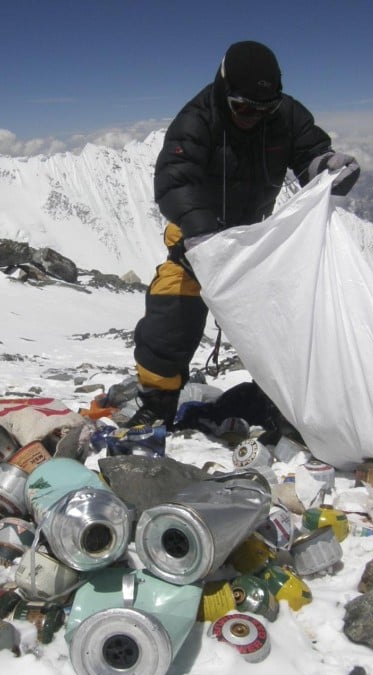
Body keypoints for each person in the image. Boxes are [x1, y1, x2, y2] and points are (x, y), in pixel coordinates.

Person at [126, 40, 360, 428]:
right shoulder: (197, 119)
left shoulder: (286, 116)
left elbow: (309, 154)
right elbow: (173, 182)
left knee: (288, 323)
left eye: (263, 108)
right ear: (223, 90)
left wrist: (327, 167)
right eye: (243, 107)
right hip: (195, 244)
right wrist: (201, 235)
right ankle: (158, 403)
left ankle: (287, 404)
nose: (253, 116)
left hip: (255, 244)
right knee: (170, 320)